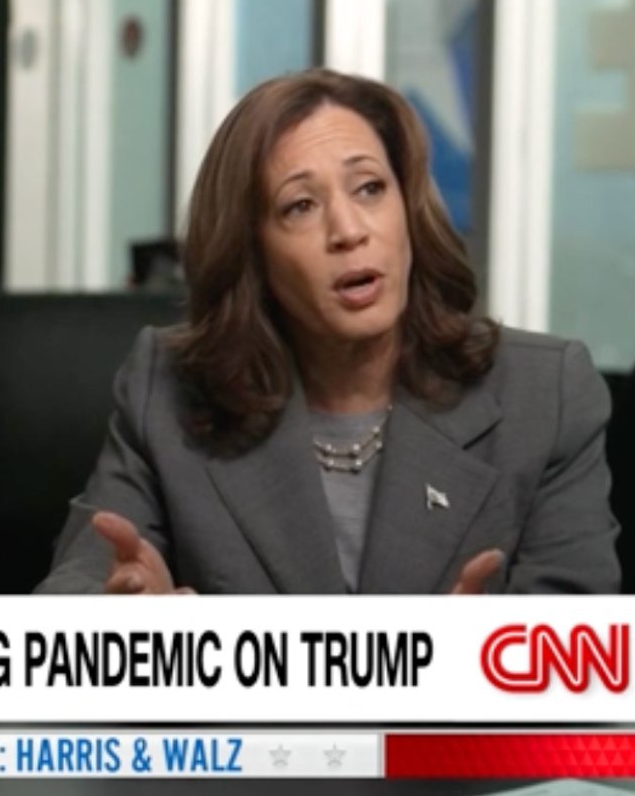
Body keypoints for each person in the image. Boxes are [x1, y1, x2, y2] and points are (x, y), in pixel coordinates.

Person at [37, 68, 619, 595]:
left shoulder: (545, 397)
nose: (348, 230)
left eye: (370, 188)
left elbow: (578, 659)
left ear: (408, 209)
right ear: (251, 251)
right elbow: (76, 587)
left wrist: (460, 675)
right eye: (300, 206)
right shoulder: (164, 387)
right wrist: (120, 617)